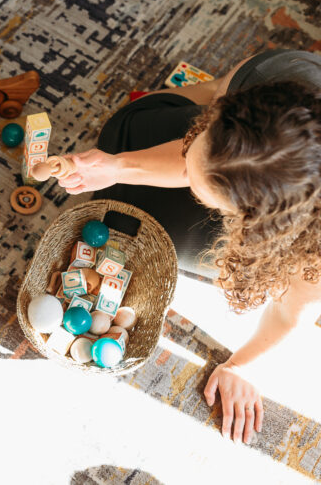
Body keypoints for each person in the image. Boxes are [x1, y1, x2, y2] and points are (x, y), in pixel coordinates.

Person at [58, 49, 321, 444]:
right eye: (201, 138)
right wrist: (118, 164)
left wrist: (241, 368)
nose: (188, 169)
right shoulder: (282, 81)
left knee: (159, 237)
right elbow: (195, 144)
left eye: (205, 194)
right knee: (125, 133)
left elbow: (289, 316)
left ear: (261, 226)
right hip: (248, 160)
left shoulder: (310, 245)